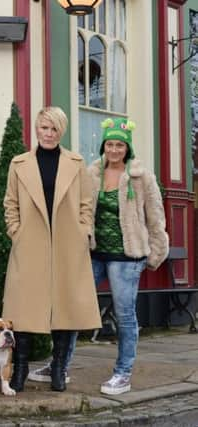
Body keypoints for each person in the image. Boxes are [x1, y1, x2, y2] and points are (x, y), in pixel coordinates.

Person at [29, 117, 169, 396]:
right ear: (103, 146)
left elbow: (155, 217)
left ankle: (122, 373)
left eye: (119, 145)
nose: (114, 149)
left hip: (126, 258)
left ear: (127, 148)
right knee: (71, 309)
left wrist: (155, 252)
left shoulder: (143, 176)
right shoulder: (90, 172)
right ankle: (60, 366)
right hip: (91, 253)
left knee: (125, 315)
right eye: (110, 144)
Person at [2, 106, 102, 393]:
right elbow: (10, 203)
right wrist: (16, 232)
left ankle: (59, 368)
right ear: (36, 129)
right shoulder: (19, 163)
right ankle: (20, 368)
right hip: (29, 242)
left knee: (64, 306)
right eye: (44, 127)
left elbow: (86, 202)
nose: (48, 133)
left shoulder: (76, 162)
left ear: (61, 131)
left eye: (54, 128)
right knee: (23, 308)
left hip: (68, 243)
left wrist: (84, 231)